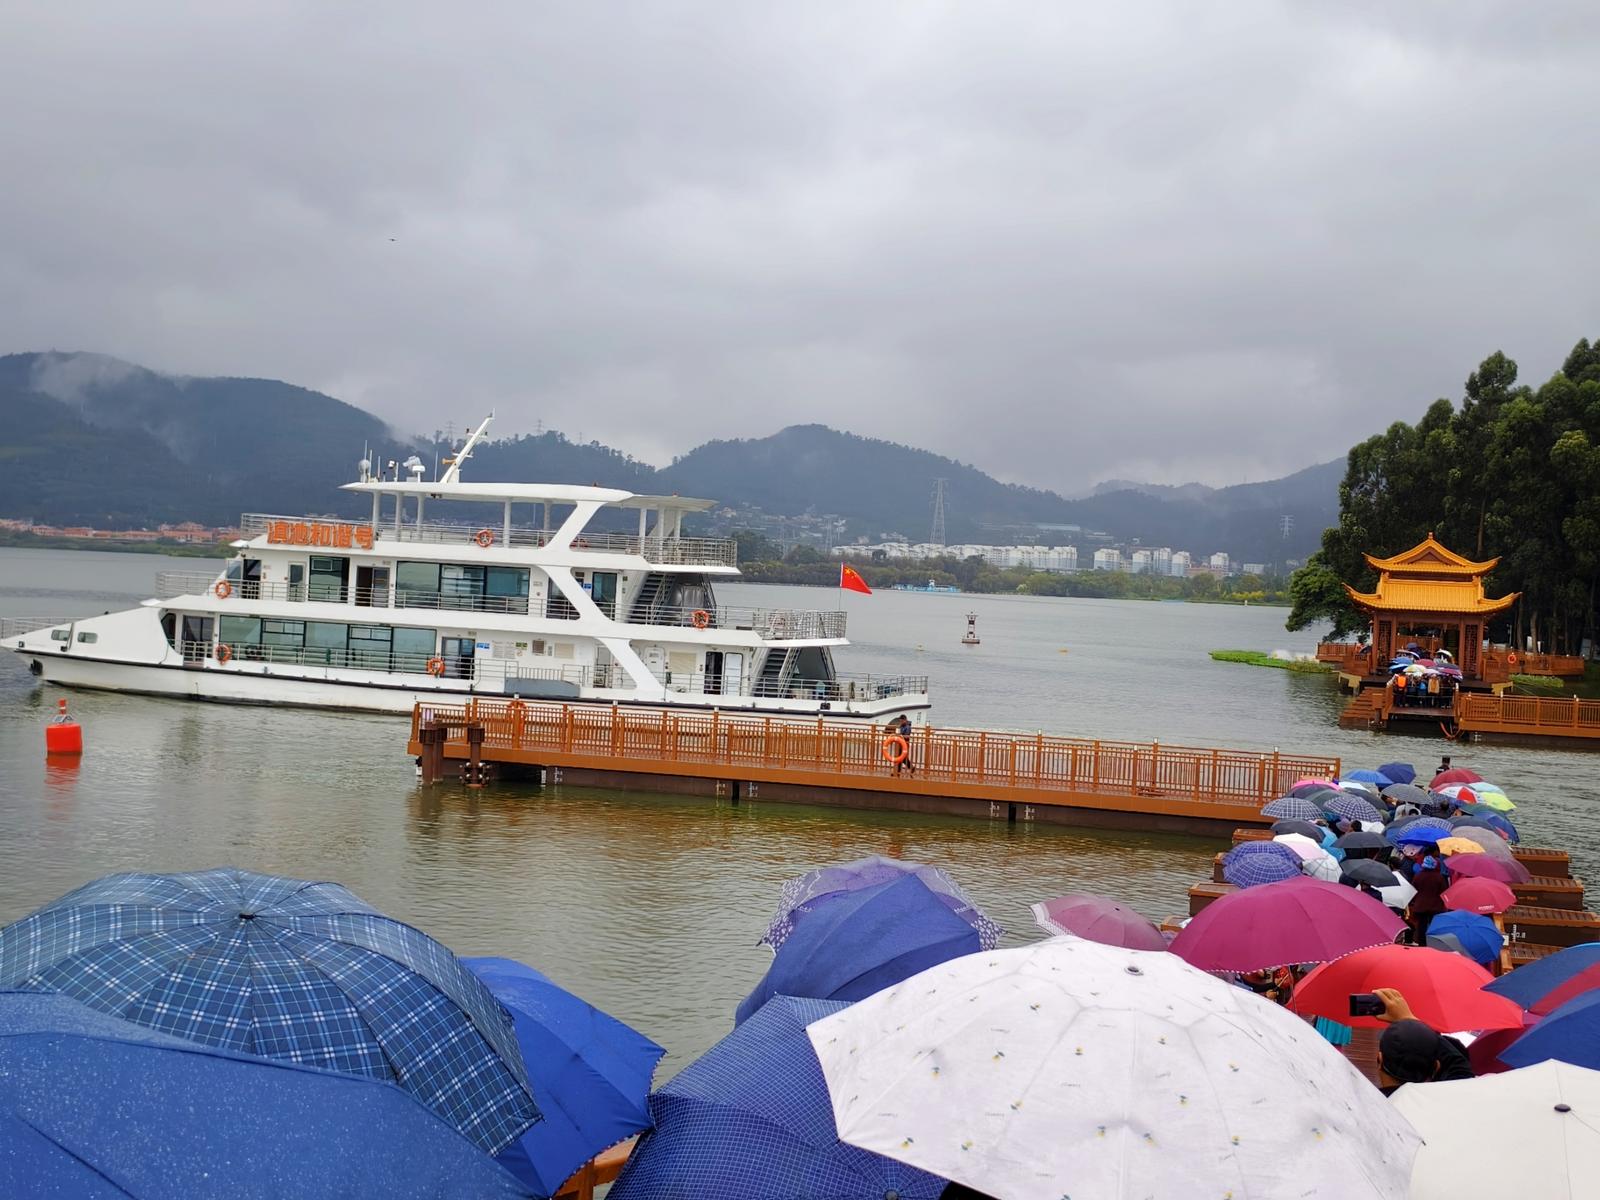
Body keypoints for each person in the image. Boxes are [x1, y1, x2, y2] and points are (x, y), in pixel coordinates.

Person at [1373, 988, 1474, 1095]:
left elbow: (1458, 1064)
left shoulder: (1366, 1103)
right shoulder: (1454, 1096)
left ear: (1379, 1059)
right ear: (1436, 1068)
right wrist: (1409, 1019)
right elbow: (1460, 1068)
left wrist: (1409, 1019)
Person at [1406, 850, 1448, 941]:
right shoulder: (1439, 877)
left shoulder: (1418, 876)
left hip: (1421, 906)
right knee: (1434, 926)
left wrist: (1413, 902)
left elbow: (1413, 890)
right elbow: (1443, 891)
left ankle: (1422, 942)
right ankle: (1432, 941)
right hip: (1436, 907)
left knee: (1421, 925)